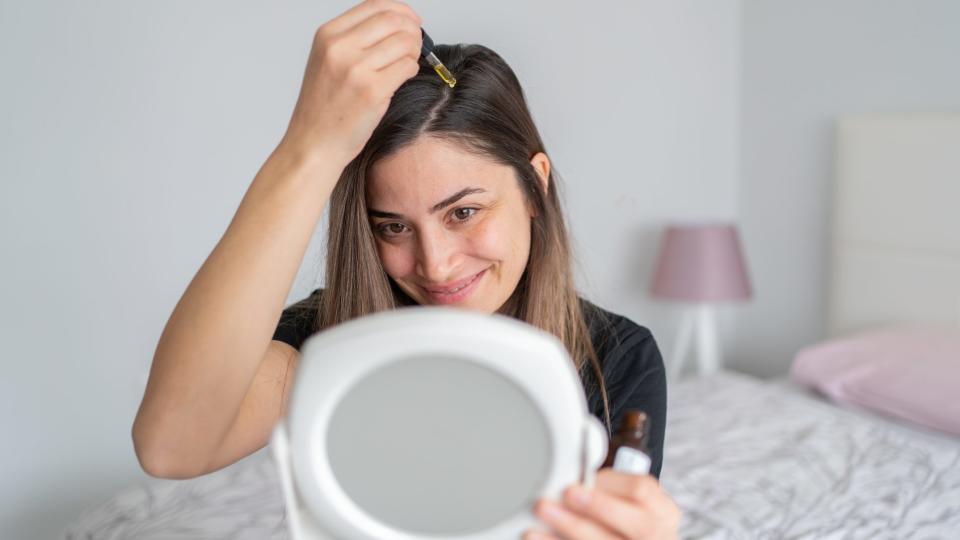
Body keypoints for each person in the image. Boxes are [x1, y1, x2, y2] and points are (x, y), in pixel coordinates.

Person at [132, 1, 680, 538]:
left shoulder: (615, 360)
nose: (435, 265)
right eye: (393, 226)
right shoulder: (328, 343)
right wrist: (310, 148)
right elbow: (172, 445)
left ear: (536, 186)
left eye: (463, 213)